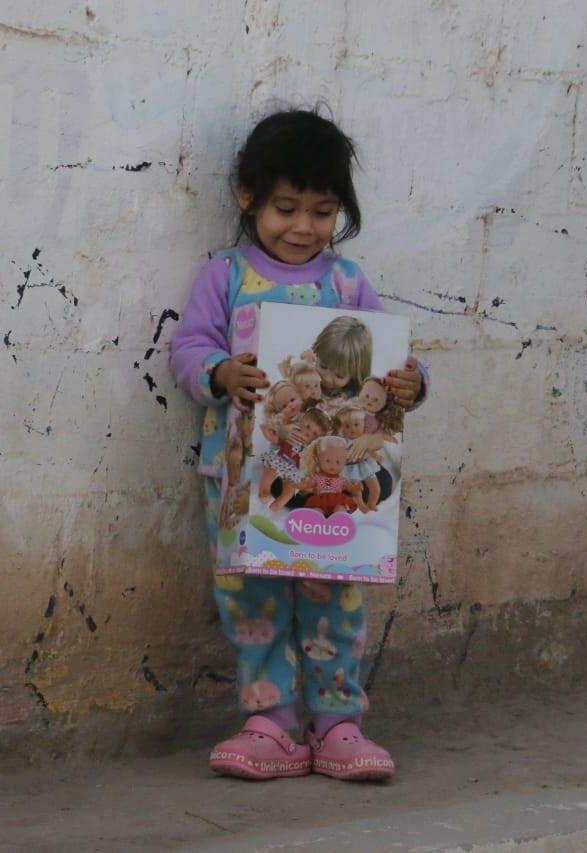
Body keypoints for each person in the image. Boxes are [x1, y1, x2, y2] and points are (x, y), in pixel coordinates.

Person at [170, 109, 428, 781]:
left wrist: (409, 382)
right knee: (250, 598)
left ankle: (339, 722)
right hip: (238, 478)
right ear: (248, 197)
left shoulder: (346, 284)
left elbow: (391, 366)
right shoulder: (223, 276)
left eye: (322, 210)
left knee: (332, 592)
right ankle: (273, 722)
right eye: (286, 207)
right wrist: (220, 372)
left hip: (332, 486)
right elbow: (190, 346)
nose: (304, 226)